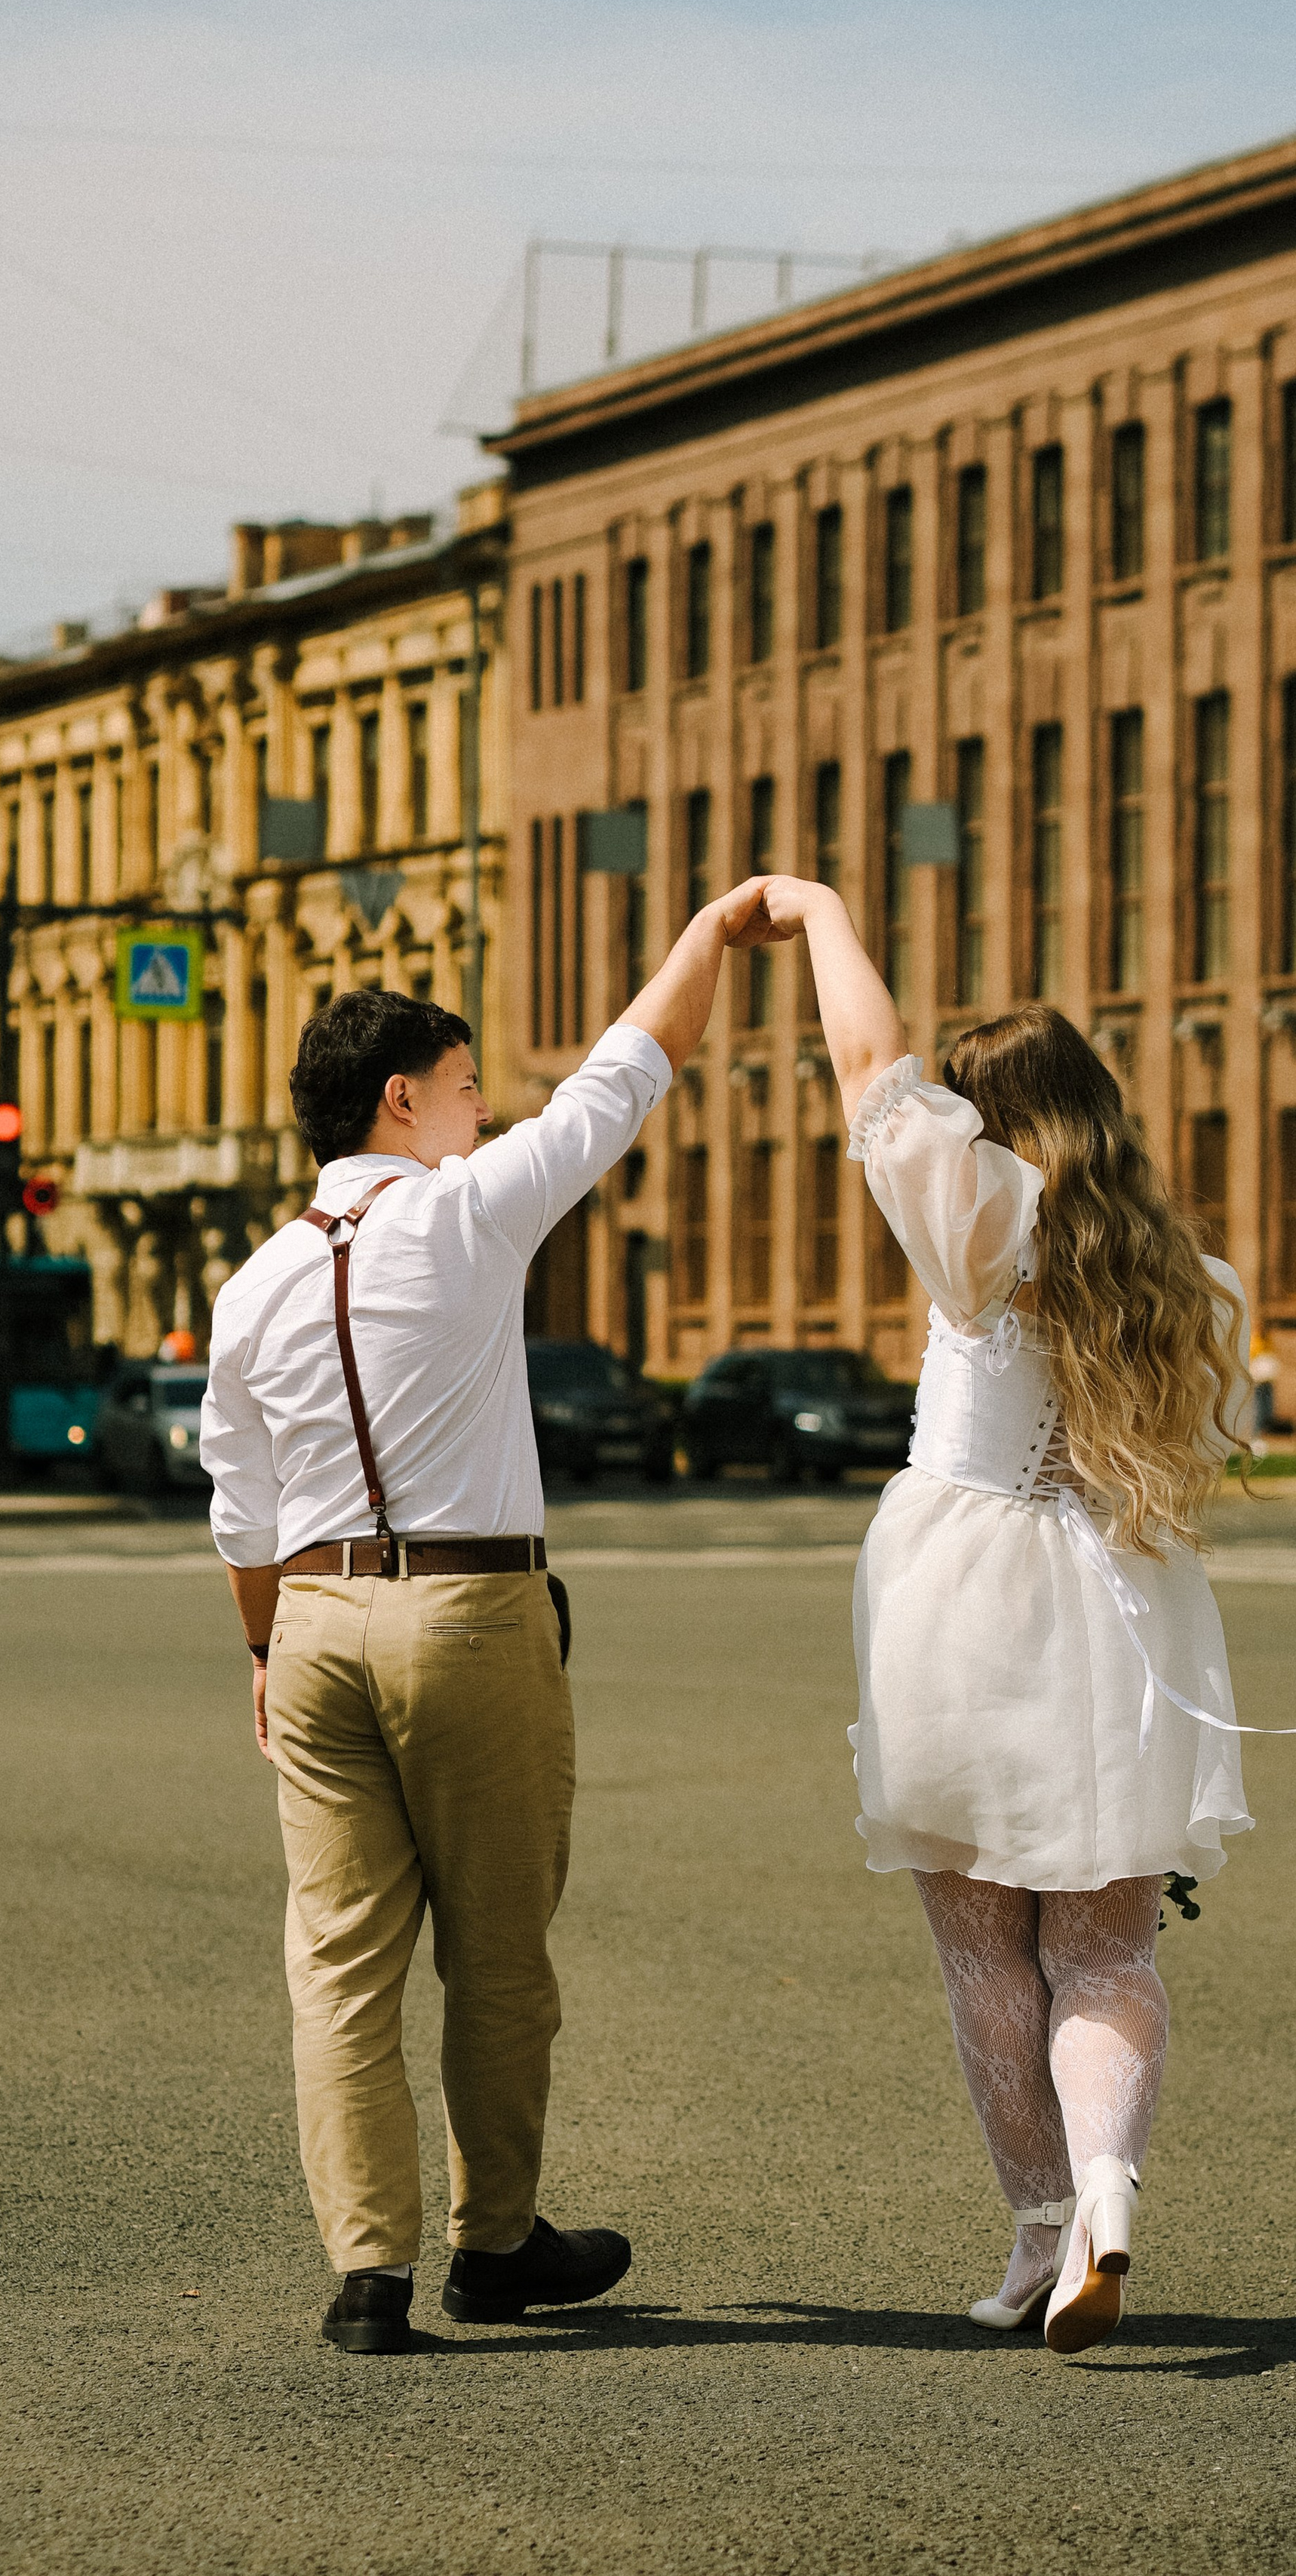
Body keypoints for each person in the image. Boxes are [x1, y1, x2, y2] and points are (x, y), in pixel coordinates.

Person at [200, 882, 770, 2354]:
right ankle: (494, 2241)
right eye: (461, 1087)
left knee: (336, 1960)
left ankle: (367, 2273)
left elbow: (239, 1512)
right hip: (467, 1613)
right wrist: (707, 935)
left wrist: (265, 1652)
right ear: (401, 1100)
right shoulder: (463, 1215)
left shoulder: (251, 1284)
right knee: (498, 1953)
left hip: (314, 1623)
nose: (478, 1108)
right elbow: (623, 1074)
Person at [758, 872, 1257, 2357]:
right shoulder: (1193, 1282)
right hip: (1120, 1620)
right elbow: (1199, 1447)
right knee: (1104, 1956)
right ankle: (1106, 2196)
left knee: (987, 1955)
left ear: (984, 1123)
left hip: (960, 1610)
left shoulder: (978, 1230)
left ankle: (1036, 2234)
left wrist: (820, 909)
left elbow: (868, 1073)